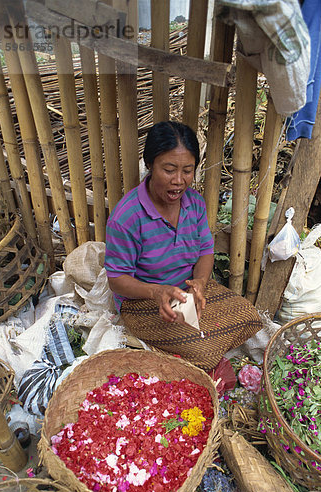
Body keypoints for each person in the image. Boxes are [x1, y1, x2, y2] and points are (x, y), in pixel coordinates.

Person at [104, 121, 262, 372]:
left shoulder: (195, 204)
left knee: (249, 317)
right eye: (169, 169)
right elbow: (117, 278)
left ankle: (195, 336)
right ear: (149, 165)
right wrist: (158, 293)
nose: (179, 181)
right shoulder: (127, 217)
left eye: (187, 170)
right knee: (204, 353)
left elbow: (205, 252)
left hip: (188, 290)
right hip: (144, 301)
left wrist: (199, 282)